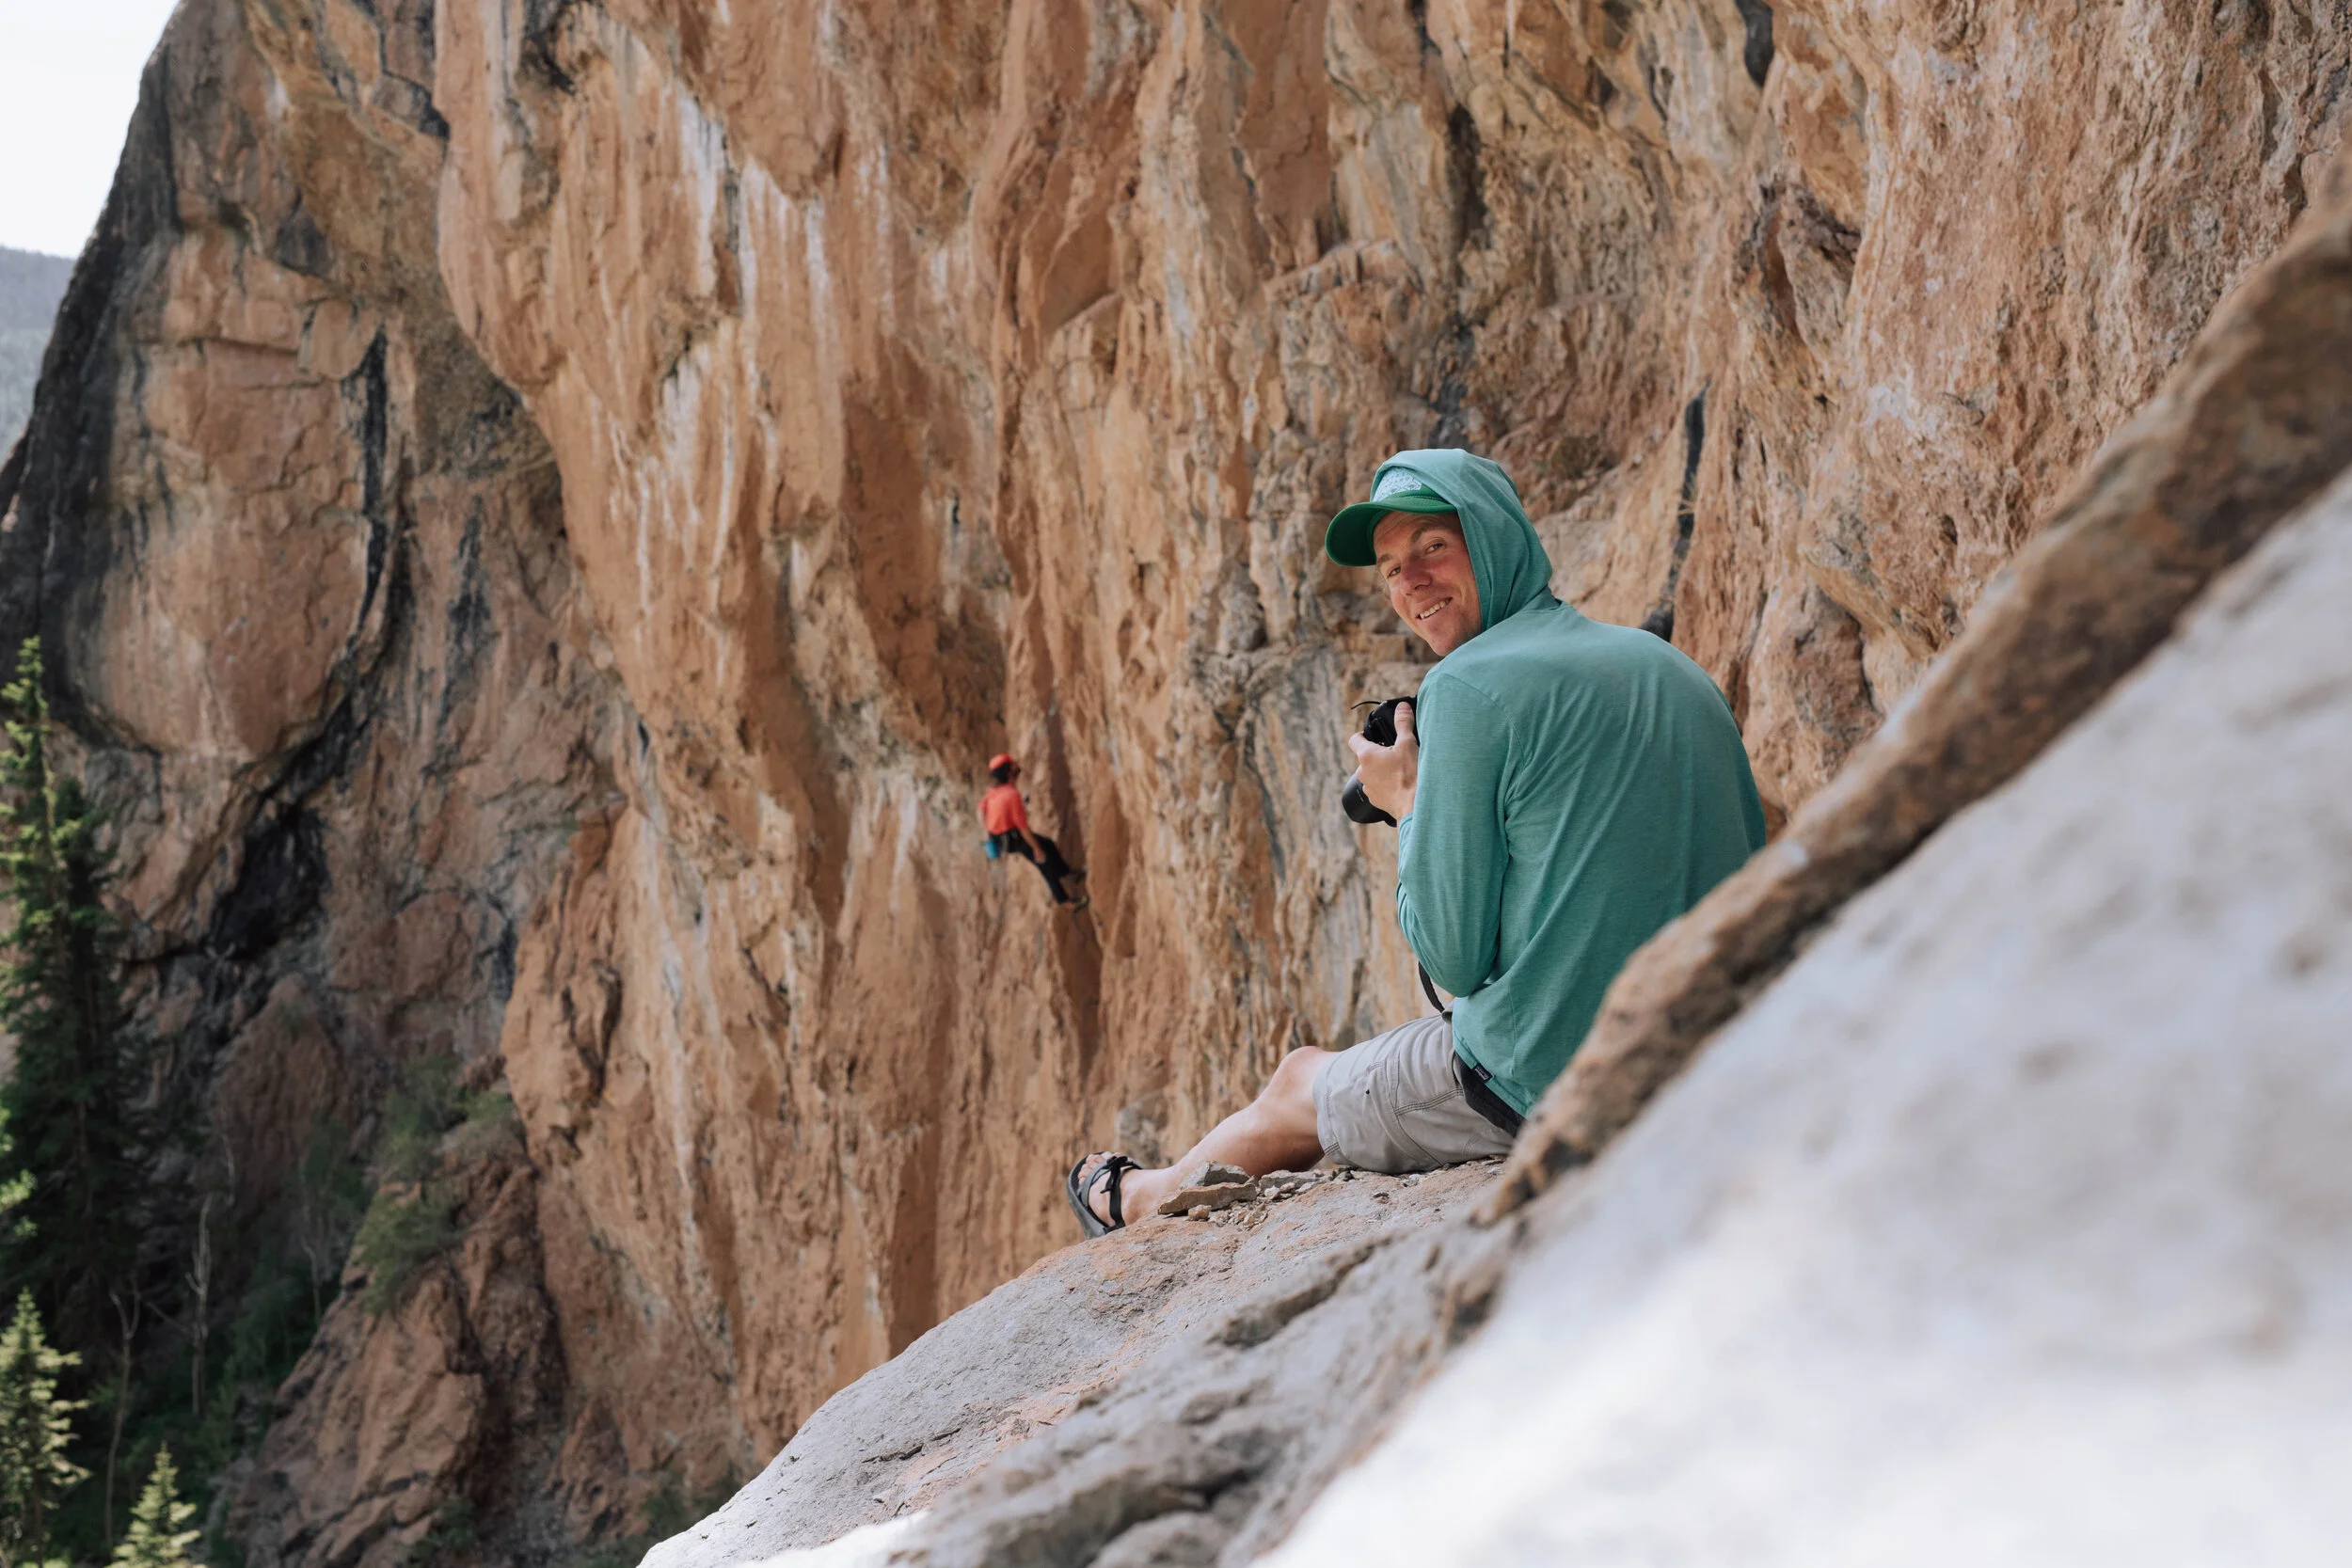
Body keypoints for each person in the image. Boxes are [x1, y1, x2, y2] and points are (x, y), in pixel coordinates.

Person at [1066, 448, 1766, 1234]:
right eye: (1393, 568)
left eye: (1433, 548)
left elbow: (1455, 957)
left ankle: (1138, 1198)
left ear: (1493, 538)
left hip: (1550, 1079)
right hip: (1725, 1048)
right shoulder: (1668, 664)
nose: (1410, 583)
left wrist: (1407, 804)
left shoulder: (1463, 688)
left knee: (1300, 1079)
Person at [981, 752, 1087, 910]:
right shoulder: (1011, 795)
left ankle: (1067, 874)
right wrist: (1036, 849)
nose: (1016, 765)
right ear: (1009, 772)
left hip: (1001, 838)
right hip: (1013, 838)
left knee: (1048, 845)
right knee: (1045, 863)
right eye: (1013, 764)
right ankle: (1066, 902)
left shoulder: (993, 791)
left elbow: (979, 811)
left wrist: (987, 831)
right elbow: (1023, 828)